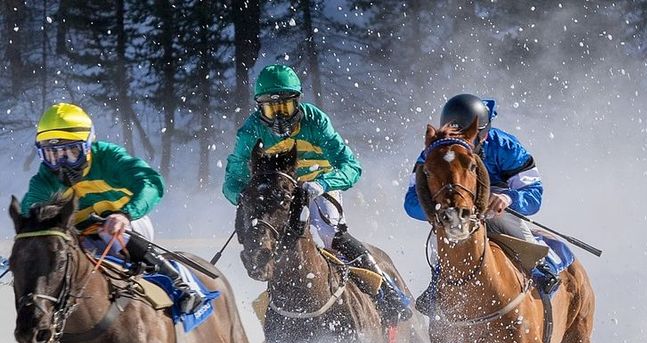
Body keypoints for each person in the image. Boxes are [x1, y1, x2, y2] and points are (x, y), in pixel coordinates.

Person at [223, 63, 410, 323]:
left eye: (285, 107)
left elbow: (351, 167)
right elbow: (232, 180)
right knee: (264, 234)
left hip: (317, 187)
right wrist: (245, 197)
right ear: (259, 108)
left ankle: (388, 294)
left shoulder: (315, 120)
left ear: (297, 103)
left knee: (330, 232)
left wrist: (322, 183)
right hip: (277, 195)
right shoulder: (251, 129)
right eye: (271, 108)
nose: (279, 117)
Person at [21, 102, 205, 314]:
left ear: (88, 145)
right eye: (52, 155)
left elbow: (151, 182)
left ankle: (179, 285)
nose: (61, 164)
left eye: (70, 153)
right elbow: (31, 210)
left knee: (110, 233)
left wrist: (125, 214)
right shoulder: (45, 178)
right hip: (79, 237)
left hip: (126, 225)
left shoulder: (108, 157)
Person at [403, 93, 553, 313]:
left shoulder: (505, 146)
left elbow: (534, 193)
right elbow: (411, 202)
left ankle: (541, 270)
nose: (461, 142)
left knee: (513, 223)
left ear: (483, 134)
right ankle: (437, 281)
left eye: (468, 136)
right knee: (441, 236)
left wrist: (508, 198)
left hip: (498, 208)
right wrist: (439, 210)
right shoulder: (434, 153)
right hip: (455, 210)